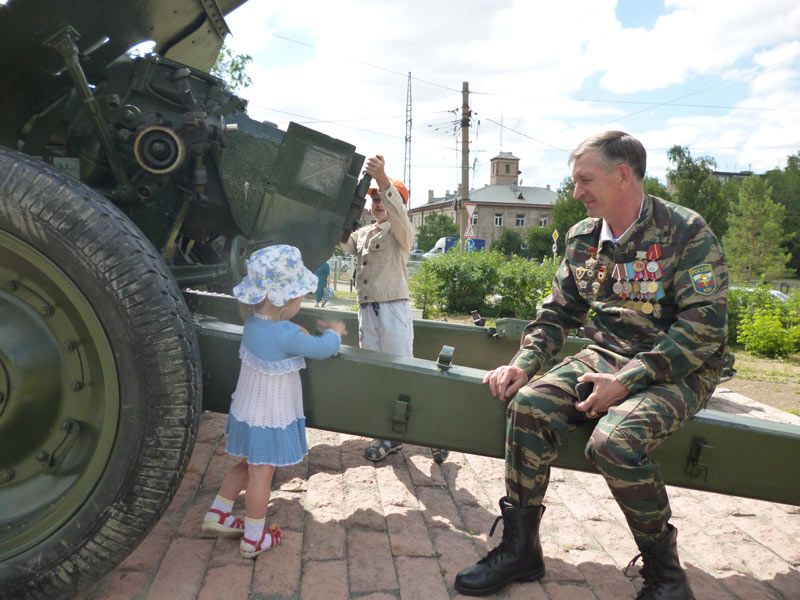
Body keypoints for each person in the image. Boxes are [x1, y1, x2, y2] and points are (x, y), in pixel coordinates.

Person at [454, 131, 728, 599]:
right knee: (527, 404)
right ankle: (522, 551)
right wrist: (525, 363)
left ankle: (667, 577)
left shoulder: (686, 231)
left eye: (585, 179)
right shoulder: (583, 237)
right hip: (605, 353)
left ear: (623, 176)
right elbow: (558, 312)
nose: (576, 191)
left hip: (679, 367)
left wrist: (626, 382)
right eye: (575, 180)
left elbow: (703, 328)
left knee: (614, 443)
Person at [201, 244, 347, 559]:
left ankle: (219, 512)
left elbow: (285, 334)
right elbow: (321, 349)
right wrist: (334, 333)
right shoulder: (286, 333)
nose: (300, 302)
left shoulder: (254, 323)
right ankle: (254, 539)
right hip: (269, 417)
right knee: (261, 474)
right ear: (282, 300)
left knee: (246, 465)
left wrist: (294, 328)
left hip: (247, 413)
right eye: (298, 298)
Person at [339, 155, 448, 464]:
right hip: (368, 311)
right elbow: (340, 237)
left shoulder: (401, 232)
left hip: (392, 310)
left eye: (384, 199)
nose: (378, 204)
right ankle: (389, 436)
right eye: (374, 199)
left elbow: (399, 216)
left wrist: (384, 180)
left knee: (404, 373)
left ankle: (432, 433)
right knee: (378, 375)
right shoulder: (365, 234)